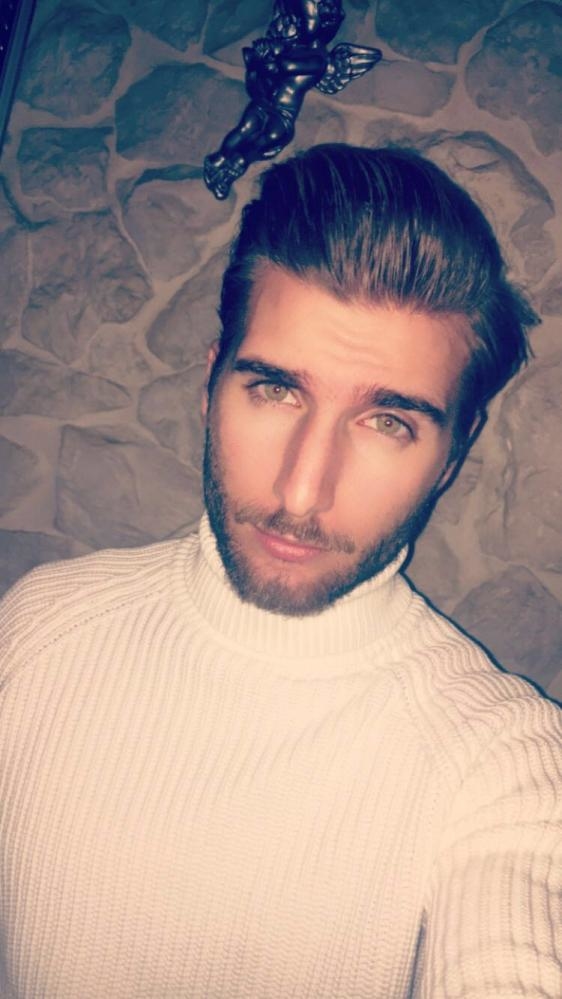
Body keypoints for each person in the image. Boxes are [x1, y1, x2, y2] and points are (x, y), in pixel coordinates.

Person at [0, 144, 560, 998]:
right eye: (274, 390)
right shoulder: (39, 627)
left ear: (453, 455)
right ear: (210, 385)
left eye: (389, 422)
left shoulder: (503, 759)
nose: (302, 490)